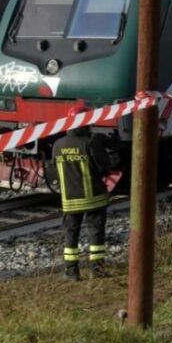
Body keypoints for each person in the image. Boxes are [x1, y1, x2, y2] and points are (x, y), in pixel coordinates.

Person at [51, 102, 113, 281]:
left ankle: (71, 272)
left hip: (70, 199)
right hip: (94, 198)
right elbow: (105, 168)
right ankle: (97, 270)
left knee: (71, 234)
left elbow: (55, 169)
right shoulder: (91, 142)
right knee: (96, 233)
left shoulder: (57, 145)